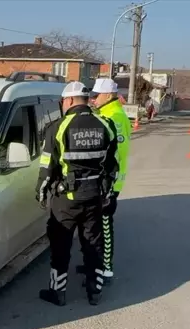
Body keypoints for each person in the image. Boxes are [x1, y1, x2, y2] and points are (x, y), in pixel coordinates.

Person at [36, 81, 119, 306]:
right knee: (93, 244)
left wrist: (41, 193)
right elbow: (112, 166)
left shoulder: (58, 127)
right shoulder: (106, 124)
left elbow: (47, 167)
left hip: (66, 200)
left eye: (63, 101)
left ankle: (58, 292)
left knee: (60, 245)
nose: (63, 105)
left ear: (70, 100)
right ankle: (95, 291)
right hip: (94, 197)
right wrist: (108, 192)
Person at [75, 78, 131, 286]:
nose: (93, 100)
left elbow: (116, 155)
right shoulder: (107, 113)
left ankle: (106, 269)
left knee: (105, 226)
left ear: (108, 95)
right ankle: (95, 264)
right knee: (95, 226)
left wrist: (111, 187)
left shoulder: (114, 117)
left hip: (109, 183)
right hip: (104, 182)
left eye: (96, 96)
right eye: (91, 96)